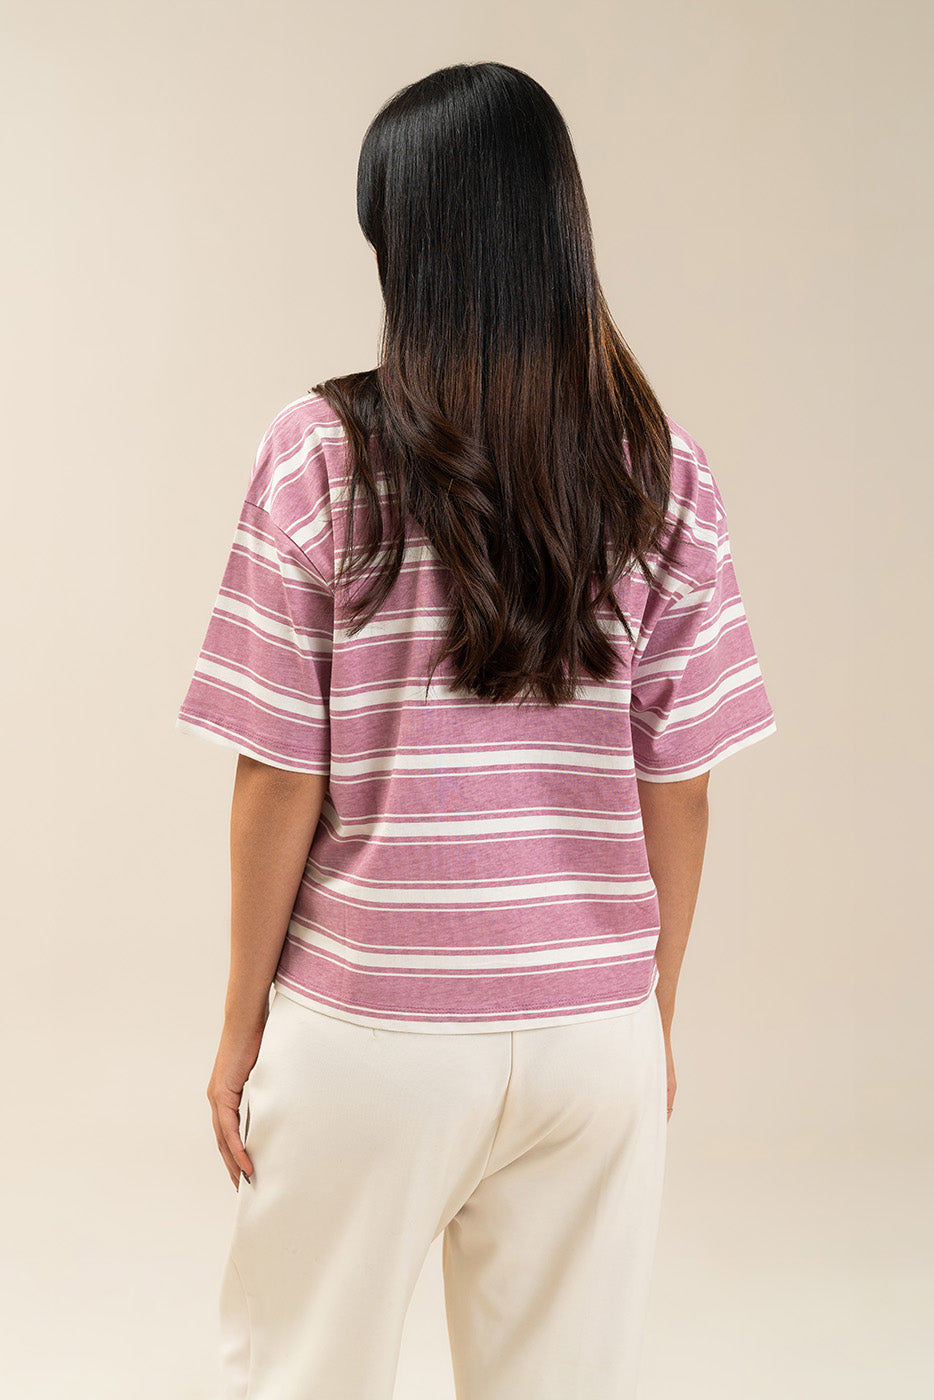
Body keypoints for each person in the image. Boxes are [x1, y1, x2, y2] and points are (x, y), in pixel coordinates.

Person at [175, 60, 777, 1400]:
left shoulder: (323, 454)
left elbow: (278, 773)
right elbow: (680, 783)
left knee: (303, 1377)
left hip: (372, 1026)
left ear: (406, 248)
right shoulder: (660, 470)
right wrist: (648, 1010)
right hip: (593, 1037)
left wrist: (239, 1028)